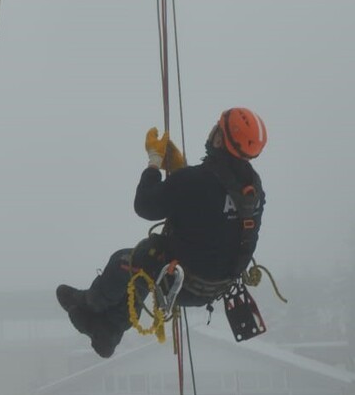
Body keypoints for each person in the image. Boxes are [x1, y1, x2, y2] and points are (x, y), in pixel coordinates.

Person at [56, 107, 267, 358]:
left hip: (180, 283)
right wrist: (180, 173)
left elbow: (144, 205)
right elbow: (211, 213)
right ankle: (107, 332)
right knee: (146, 270)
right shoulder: (252, 191)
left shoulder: (194, 181)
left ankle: (90, 303)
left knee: (125, 262)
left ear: (220, 139)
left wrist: (154, 162)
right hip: (214, 287)